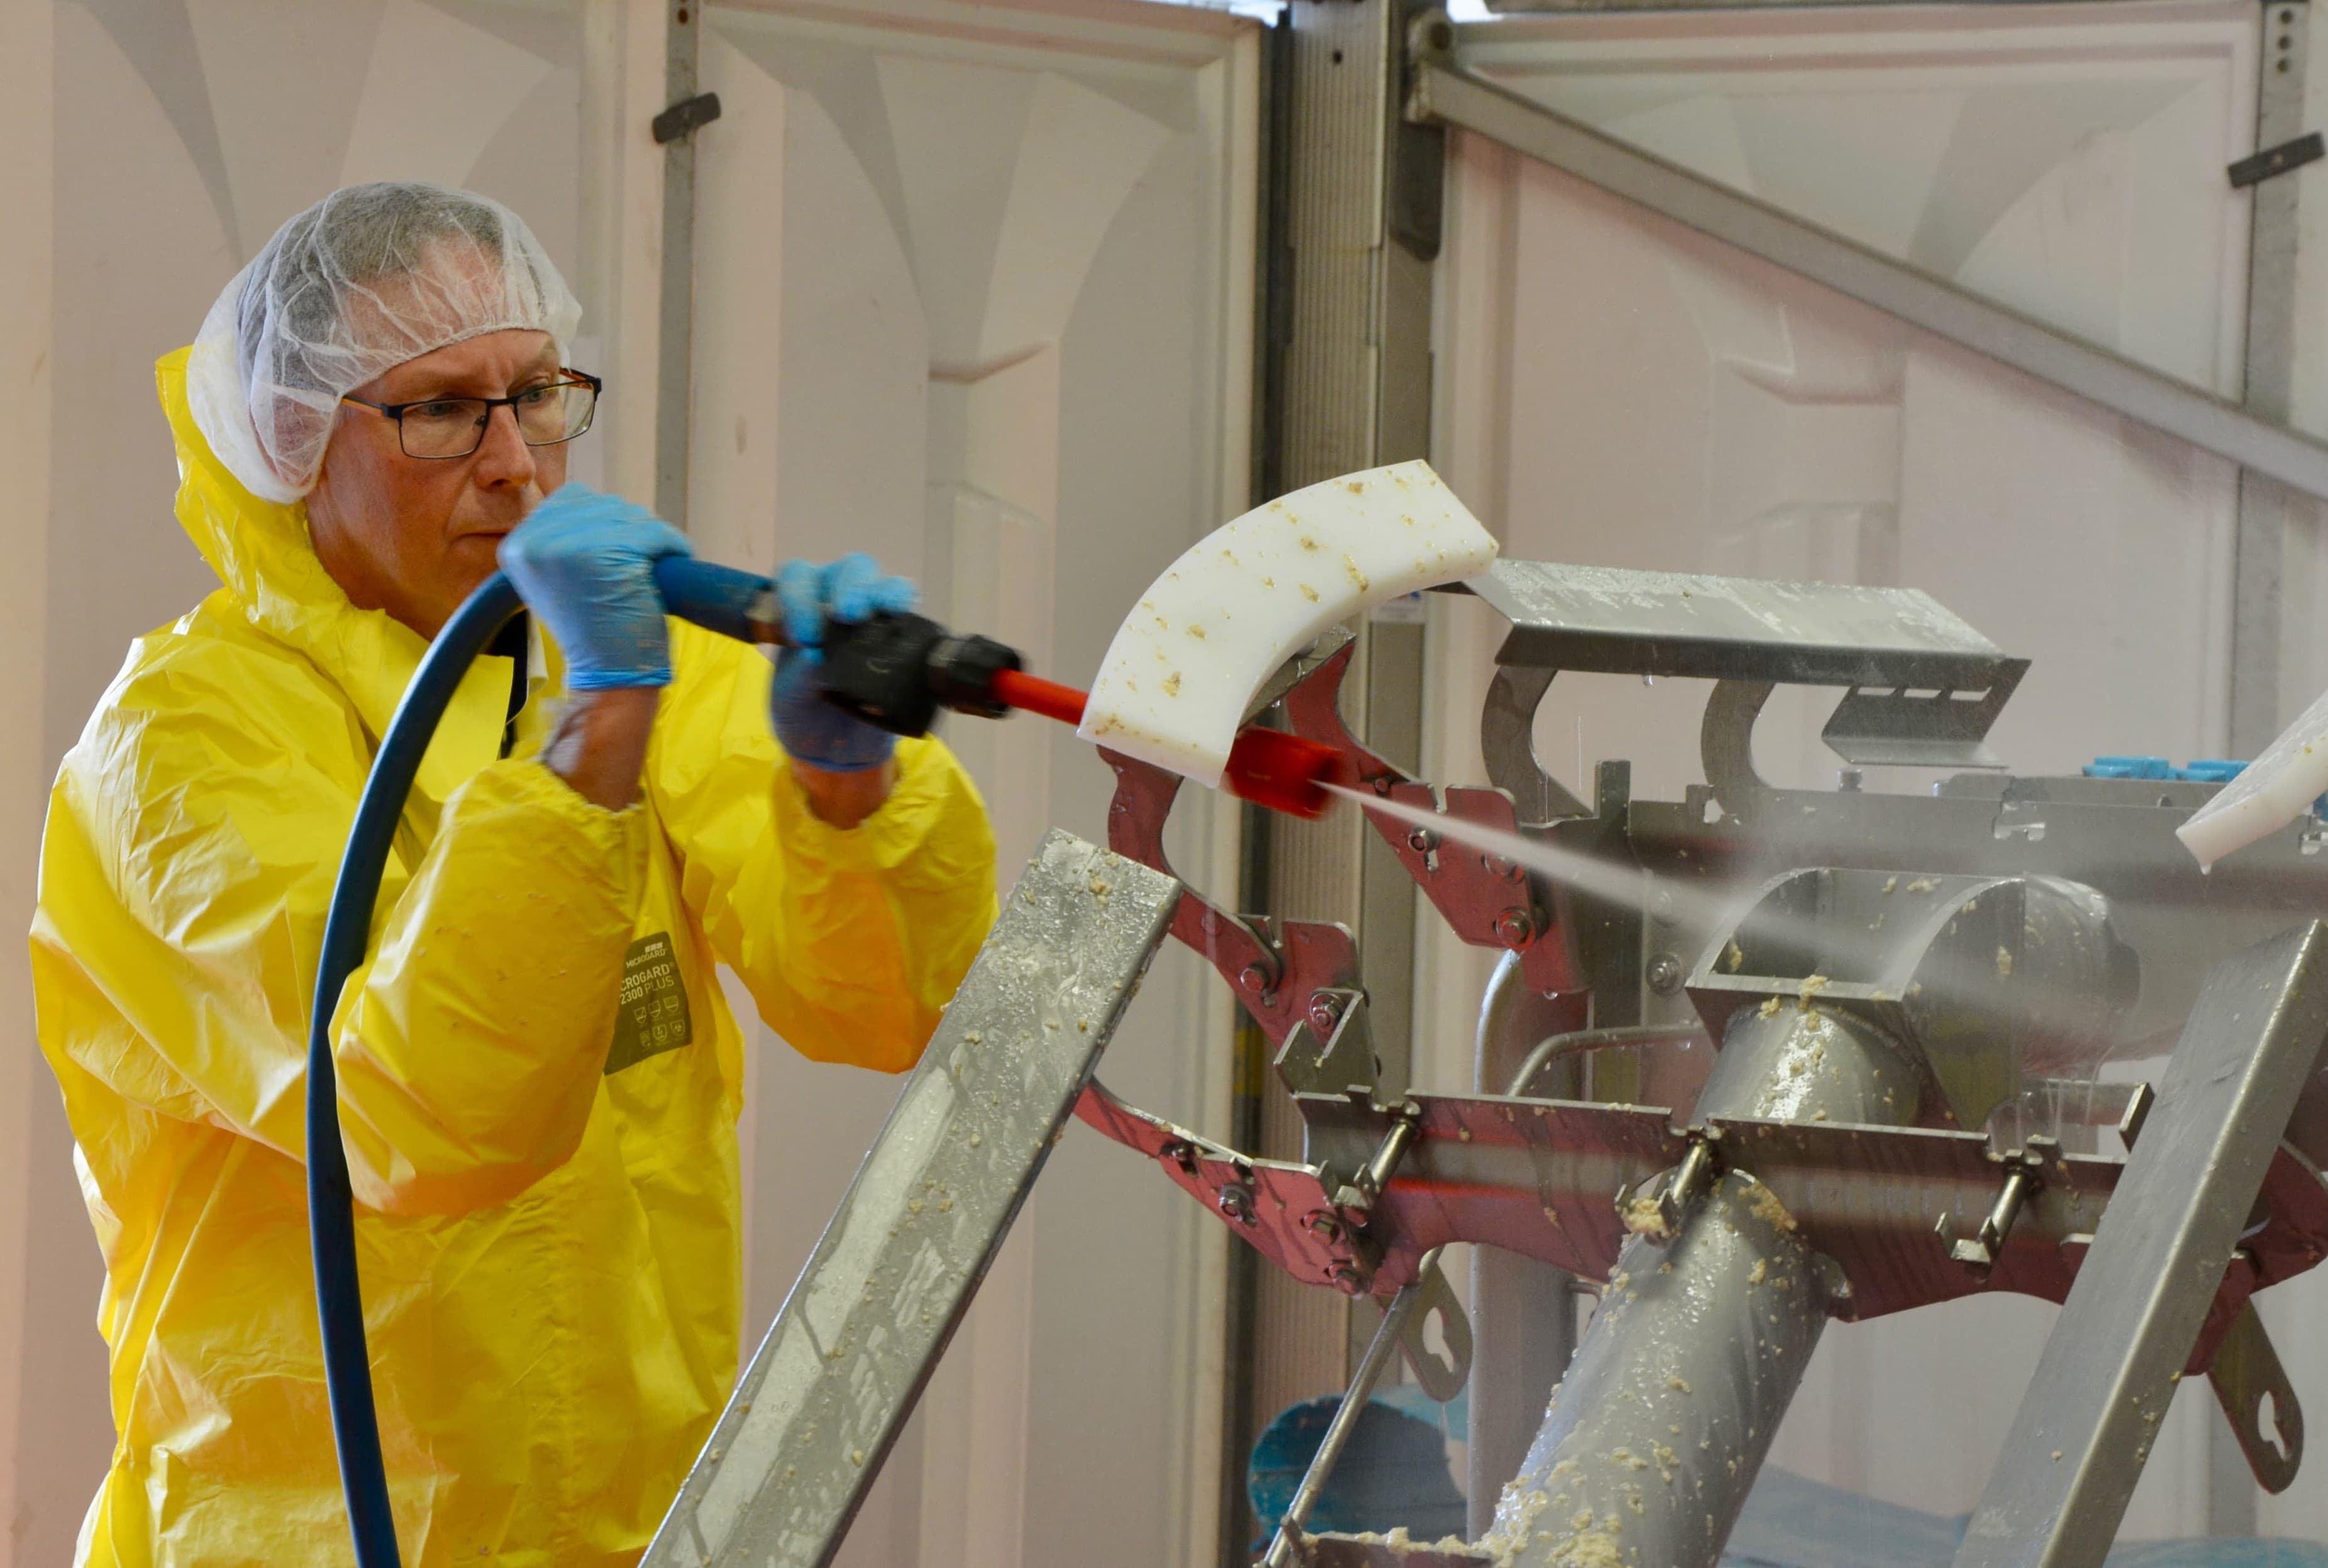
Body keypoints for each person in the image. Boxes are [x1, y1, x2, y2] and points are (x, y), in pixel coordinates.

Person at [28, 182, 998, 1566]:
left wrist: (848, 784)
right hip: (306, 1537)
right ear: (295, 440)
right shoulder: (180, 750)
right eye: (439, 409)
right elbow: (415, 1110)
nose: (514, 464)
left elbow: (886, 1000)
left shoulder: (624, 662)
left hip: (642, 1528)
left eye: (537, 393)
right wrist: (600, 732)